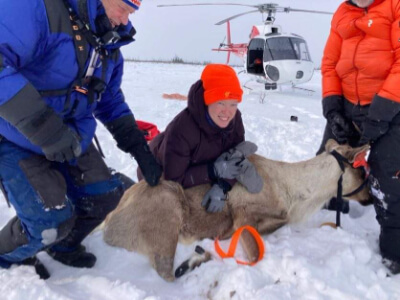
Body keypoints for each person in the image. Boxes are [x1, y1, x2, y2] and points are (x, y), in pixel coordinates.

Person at [0, 0, 162, 278]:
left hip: (70, 137)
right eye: (122, 9)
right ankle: (7, 254)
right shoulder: (38, 9)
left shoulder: (106, 42)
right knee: (49, 222)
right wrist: (47, 131)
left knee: (107, 197)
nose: (125, 21)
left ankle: (62, 247)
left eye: (131, 13)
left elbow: (109, 99)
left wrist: (139, 148)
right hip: (14, 134)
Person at [317, 0, 400, 274]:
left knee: (388, 180)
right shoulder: (342, 13)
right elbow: (329, 64)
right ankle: (321, 232)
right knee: (326, 165)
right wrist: (333, 108)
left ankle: (393, 256)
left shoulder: (395, 6)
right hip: (348, 106)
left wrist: (381, 112)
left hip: (391, 107)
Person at [139, 64, 263, 213]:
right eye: (220, 102)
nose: (227, 112)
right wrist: (213, 170)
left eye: (233, 104)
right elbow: (173, 180)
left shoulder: (234, 119)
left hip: (199, 165)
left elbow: (234, 159)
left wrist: (223, 185)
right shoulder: (181, 130)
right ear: (207, 100)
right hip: (159, 170)